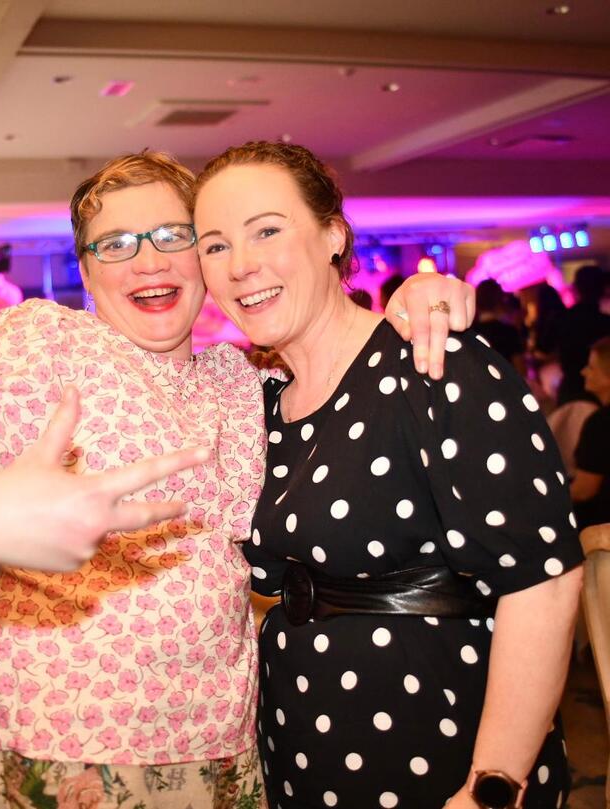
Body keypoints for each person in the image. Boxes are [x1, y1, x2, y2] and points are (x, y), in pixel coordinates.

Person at [0, 151, 473, 809]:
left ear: (205, 257)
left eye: (172, 236)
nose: (147, 262)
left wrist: (415, 301)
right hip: (47, 744)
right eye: (115, 244)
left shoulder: (241, 381)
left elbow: (336, 355)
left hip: (218, 748)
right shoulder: (41, 343)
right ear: (86, 271)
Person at [192, 141, 584, 809]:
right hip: (303, 751)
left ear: (333, 236)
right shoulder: (261, 405)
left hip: (438, 748)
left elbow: (542, 581)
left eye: (267, 230)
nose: (241, 264)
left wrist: (490, 787)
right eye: (216, 245)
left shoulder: (434, 364)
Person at [555, 265, 610, 405]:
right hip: (599, 389)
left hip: (571, 391)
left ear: (576, 288)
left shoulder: (563, 319)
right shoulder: (604, 322)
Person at [570, 336, 610, 530]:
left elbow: (584, 490)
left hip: (601, 530)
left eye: (591, 368)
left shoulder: (601, 423)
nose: (583, 371)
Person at [473, 280, 526, 377]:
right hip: (506, 383)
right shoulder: (509, 332)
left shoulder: (470, 333)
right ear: (500, 301)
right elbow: (520, 370)